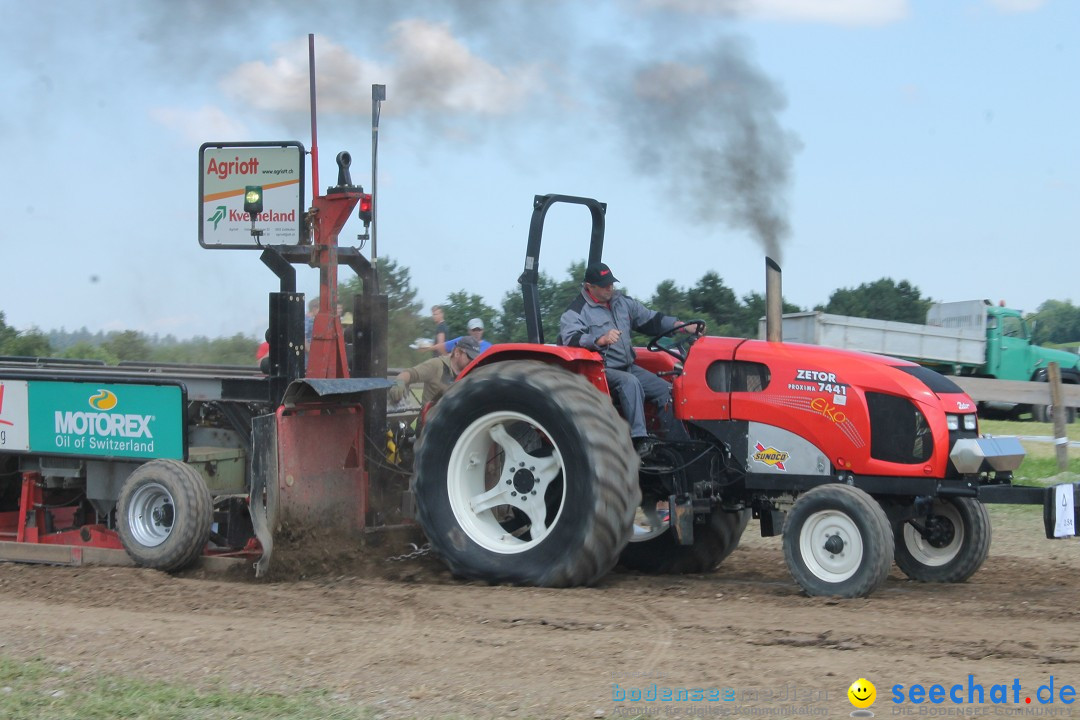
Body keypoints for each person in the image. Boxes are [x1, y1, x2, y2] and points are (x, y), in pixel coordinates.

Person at [559, 261, 699, 457]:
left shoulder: (621, 302)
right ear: (589, 287)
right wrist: (600, 339)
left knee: (666, 389)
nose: (610, 287)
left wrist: (683, 326)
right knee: (630, 383)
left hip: (627, 366)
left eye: (611, 283)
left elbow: (651, 319)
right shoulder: (576, 311)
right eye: (604, 284)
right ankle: (639, 442)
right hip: (600, 370)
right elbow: (570, 339)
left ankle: (677, 445)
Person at [388, 334, 482, 406]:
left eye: (475, 359)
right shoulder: (436, 365)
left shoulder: (469, 374)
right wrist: (398, 384)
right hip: (429, 425)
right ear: (457, 352)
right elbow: (408, 374)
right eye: (469, 357)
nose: (472, 362)